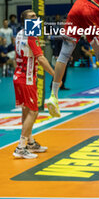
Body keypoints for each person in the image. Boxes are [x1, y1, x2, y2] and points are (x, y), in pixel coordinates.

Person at [13, 9, 55, 159]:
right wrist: (55, 75)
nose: (35, 18)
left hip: (18, 76)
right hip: (27, 79)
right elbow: (42, 59)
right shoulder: (31, 36)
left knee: (26, 111)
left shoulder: (19, 33)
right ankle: (21, 147)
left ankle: (30, 142)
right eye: (32, 17)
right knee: (33, 112)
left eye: (35, 16)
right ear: (26, 21)